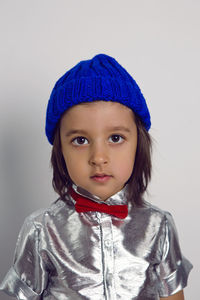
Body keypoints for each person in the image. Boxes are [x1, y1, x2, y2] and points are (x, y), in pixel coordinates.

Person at [0, 54, 193, 300]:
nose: (98, 157)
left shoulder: (159, 226)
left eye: (115, 138)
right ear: (61, 150)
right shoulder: (41, 229)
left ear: (138, 143)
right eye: (80, 140)